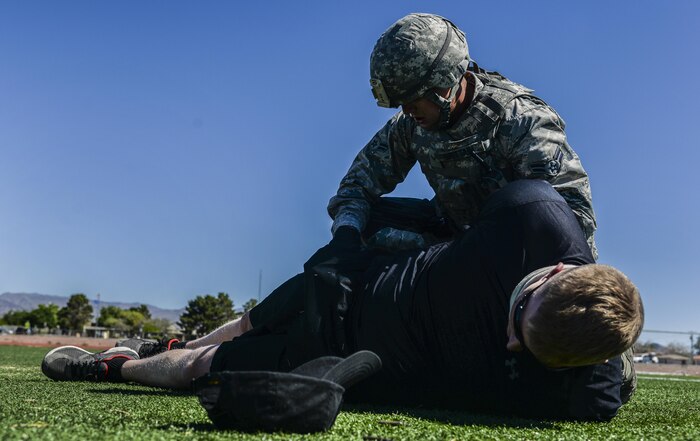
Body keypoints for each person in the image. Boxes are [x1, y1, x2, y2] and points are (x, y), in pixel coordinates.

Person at [42, 180, 643, 421]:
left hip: (349, 366)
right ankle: (170, 342)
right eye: (519, 316)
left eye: (528, 350)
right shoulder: (532, 215)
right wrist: (363, 238)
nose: (510, 340)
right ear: (557, 269)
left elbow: (612, 381)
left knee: (202, 369)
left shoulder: (589, 392)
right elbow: (450, 215)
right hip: (348, 286)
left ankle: (114, 364)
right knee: (226, 331)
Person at [328, 13, 597, 258]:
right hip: (458, 241)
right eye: (400, 103)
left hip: (518, 252)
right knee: (372, 223)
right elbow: (356, 187)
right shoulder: (410, 124)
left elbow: (572, 219)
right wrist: (346, 234)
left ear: (445, 81)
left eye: (413, 98)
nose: (407, 110)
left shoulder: (519, 119)